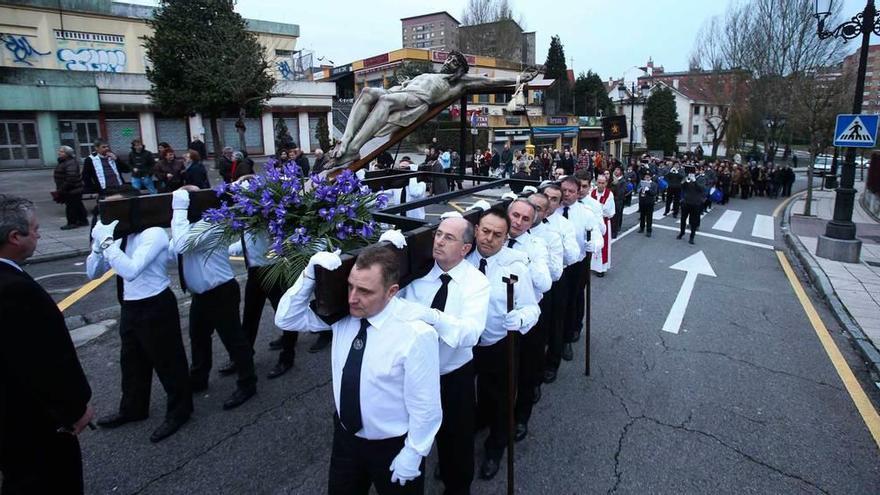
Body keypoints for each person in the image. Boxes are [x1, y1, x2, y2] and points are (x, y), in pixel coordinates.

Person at [275, 245, 442, 494]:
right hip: (346, 439)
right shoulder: (344, 315)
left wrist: (414, 452)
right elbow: (286, 318)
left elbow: (426, 406)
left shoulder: (415, 335)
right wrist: (309, 275)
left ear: (391, 292)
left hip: (392, 445)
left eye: (365, 291)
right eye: (351, 286)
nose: (353, 297)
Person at [0, 196, 94, 494]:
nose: (40, 234)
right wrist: (75, 408)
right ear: (15, 237)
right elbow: (45, 361)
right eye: (35, 229)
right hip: (32, 423)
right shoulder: (15, 290)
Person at [86, 188, 192, 442]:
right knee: (131, 362)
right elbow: (92, 273)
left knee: (168, 361)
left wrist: (108, 244)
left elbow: (131, 270)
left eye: (116, 210)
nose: (111, 217)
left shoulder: (152, 234)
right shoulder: (116, 236)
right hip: (130, 306)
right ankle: (133, 408)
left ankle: (180, 411)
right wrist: (99, 246)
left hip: (155, 304)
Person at [394, 217, 490, 495]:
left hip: (452, 376)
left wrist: (432, 317)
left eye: (449, 237)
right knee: (407, 440)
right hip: (412, 374)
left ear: (465, 249)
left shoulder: (476, 283)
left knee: (456, 443)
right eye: (438, 234)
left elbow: (470, 334)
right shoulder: (416, 273)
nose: (439, 241)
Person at [331, 52, 536, 166]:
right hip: (400, 92)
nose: (449, 62)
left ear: (459, 69)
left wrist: (518, 78)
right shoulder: (430, 75)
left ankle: (353, 149)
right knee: (367, 91)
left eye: (454, 62)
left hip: (416, 101)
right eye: (449, 58)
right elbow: (399, 87)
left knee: (386, 102)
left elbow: (489, 81)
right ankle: (347, 139)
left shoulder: (458, 82)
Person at [466, 208, 539, 480]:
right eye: (485, 231)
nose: (489, 239)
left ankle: (495, 448)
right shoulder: (461, 260)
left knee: (501, 398)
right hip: (465, 344)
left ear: (506, 238)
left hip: (499, 342)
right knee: (463, 399)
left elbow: (532, 308)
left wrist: (519, 318)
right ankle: (459, 451)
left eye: (497, 235)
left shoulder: (515, 266)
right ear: (476, 230)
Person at [170, 188, 256, 410]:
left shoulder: (212, 222)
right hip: (201, 294)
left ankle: (247, 383)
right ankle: (199, 379)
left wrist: (178, 208)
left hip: (220, 292)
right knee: (198, 338)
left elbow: (182, 245)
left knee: (234, 339)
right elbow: (174, 249)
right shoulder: (191, 226)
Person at [508, 196, 557, 441]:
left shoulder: (536, 245)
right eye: (515, 215)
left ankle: (521, 417)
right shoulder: (496, 238)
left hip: (527, 317)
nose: (518, 222)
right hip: (499, 320)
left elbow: (545, 283)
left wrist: (522, 263)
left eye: (525, 218)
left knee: (526, 370)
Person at [54, 145, 88, 229]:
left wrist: (62, 189)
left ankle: (72, 223)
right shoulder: (64, 162)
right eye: (60, 151)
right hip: (73, 189)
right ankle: (83, 220)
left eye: (62, 152)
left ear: (67, 154)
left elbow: (71, 178)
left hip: (72, 189)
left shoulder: (70, 162)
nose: (59, 153)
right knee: (78, 205)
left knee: (71, 207)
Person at [589, 174, 615, 277]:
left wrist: (596, 209)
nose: (600, 185)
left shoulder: (609, 194)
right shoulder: (592, 192)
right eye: (598, 182)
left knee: (602, 246)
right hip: (591, 221)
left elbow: (608, 211)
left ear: (606, 183)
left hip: (603, 222)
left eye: (602, 183)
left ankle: (601, 268)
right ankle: (591, 265)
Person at [678, 167, 705, 245]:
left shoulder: (702, 178)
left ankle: (692, 236)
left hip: (696, 203)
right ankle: (681, 232)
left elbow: (702, 189)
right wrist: (684, 181)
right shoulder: (687, 178)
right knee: (683, 219)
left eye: (695, 171)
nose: (692, 173)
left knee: (693, 221)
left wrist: (695, 181)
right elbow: (682, 187)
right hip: (686, 202)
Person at [638, 171, 658, 237]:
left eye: (648, 177)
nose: (646, 178)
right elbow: (638, 190)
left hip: (649, 202)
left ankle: (649, 230)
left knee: (649, 217)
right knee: (642, 216)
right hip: (642, 201)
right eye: (645, 177)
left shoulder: (654, 184)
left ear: (650, 177)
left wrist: (648, 190)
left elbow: (654, 193)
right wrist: (641, 188)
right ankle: (641, 228)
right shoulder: (641, 183)